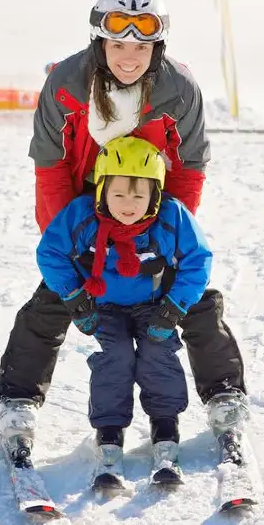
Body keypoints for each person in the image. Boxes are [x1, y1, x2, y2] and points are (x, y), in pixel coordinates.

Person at [0, 0, 249, 468]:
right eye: (117, 45)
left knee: (198, 302)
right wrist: (71, 243)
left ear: (157, 48)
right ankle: (17, 401)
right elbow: (50, 166)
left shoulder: (179, 89)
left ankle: (225, 398)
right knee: (48, 305)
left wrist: (167, 236)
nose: (129, 56)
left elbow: (188, 168)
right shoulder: (66, 85)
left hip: (152, 211)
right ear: (99, 43)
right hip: (90, 210)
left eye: (141, 46)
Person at [36, 136, 211, 486]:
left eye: (138, 196)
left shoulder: (171, 216)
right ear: (101, 191)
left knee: (157, 351)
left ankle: (165, 426)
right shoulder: (82, 215)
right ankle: (110, 432)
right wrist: (74, 297)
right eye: (117, 195)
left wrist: (174, 308)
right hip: (104, 306)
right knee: (113, 357)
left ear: (154, 196)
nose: (127, 205)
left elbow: (198, 260)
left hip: (154, 307)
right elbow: (50, 252)